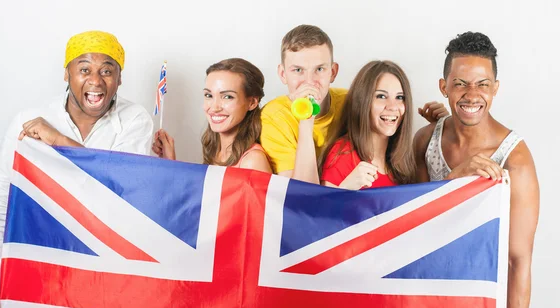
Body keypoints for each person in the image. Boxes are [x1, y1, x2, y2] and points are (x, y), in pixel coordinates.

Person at [0, 30, 154, 308]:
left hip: (110, 273)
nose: (96, 81)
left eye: (107, 70)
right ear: (67, 74)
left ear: (120, 79)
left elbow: (115, 193)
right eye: (84, 69)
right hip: (41, 266)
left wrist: (57, 140)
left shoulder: (135, 120)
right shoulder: (26, 120)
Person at [413, 31, 539, 308]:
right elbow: (415, 225)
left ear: (495, 88)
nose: (472, 94)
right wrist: (456, 179)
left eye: (482, 84)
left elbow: (519, 261)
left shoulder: (514, 158)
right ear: (444, 86)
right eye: (461, 84)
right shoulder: (426, 140)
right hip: (424, 306)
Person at [260, 24, 447, 184]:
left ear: (333, 72)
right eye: (298, 70)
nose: (310, 82)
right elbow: (302, 198)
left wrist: (440, 125)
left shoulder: (350, 101)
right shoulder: (274, 117)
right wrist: (307, 120)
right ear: (283, 74)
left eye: (320, 69)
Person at [153, 58, 272, 173]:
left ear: (252, 103)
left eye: (227, 97)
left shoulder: (252, 161)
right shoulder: (215, 151)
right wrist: (169, 162)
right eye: (209, 95)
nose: (214, 108)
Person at [319, 60, 415, 189]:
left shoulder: (401, 162)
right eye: (381, 96)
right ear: (362, 102)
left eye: (400, 97)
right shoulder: (343, 154)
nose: (393, 107)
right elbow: (323, 208)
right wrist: (346, 189)